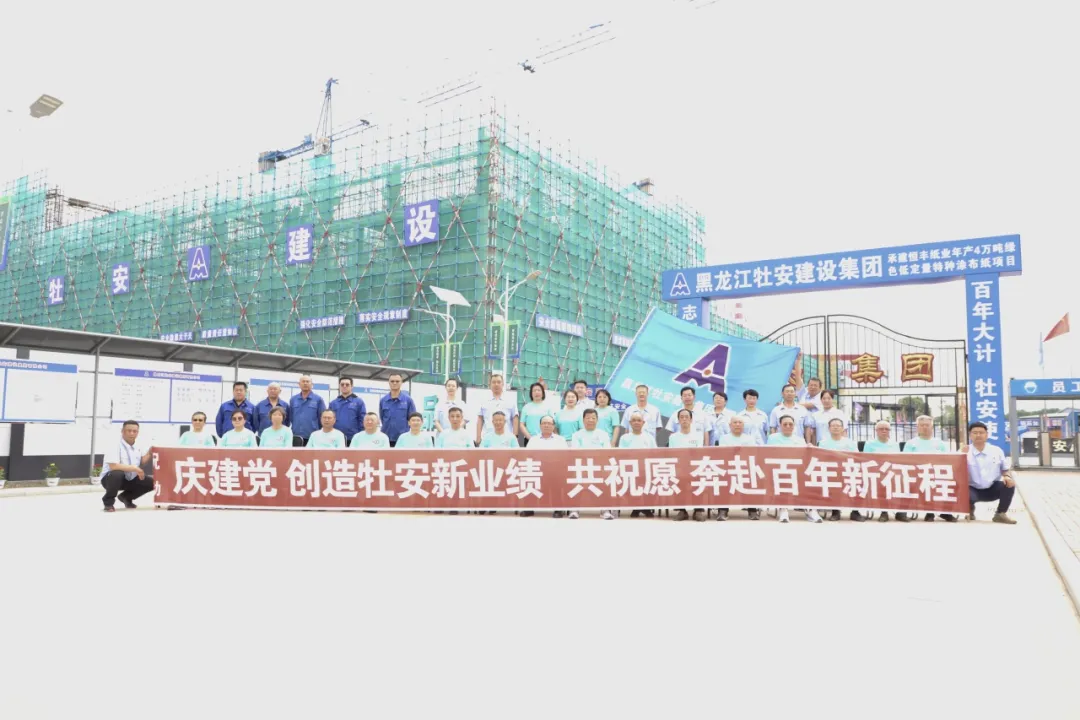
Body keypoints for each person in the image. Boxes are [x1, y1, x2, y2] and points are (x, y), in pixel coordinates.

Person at [767, 415, 823, 524]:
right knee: (783, 478)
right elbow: (769, 454)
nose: (788, 426)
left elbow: (804, 456)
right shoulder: (772, 438)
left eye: (790, 424)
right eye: (785, 424)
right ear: (780, 426)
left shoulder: (799, 439)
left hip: (797, 470)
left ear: (794, 426)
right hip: (779, 470)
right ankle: (783, 509)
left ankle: (810, 509)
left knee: (810, 479)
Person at [904, 415, 956, 522]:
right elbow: (905, 460)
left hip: (937, 474)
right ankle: (929, 512)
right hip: (916, 474)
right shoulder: (911, 443)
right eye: (922, 425)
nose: (924, 427)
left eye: (927, 425)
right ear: (918, 427)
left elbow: (948, 459)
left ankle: (945, 512)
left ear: (932, 427)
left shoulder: (940, 443)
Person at [965, 421, 1016, 524]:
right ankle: (969, 509)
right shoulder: (965, 451)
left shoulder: (996, 451)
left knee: (1009, 484)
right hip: (971, 489)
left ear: (987, 435)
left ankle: (1000, 514)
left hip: (992, 489)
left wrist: (1007, 476)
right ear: (970, 435)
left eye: (981, 432)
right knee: (963, 491)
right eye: (975, 433)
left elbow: (1005, 469)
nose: (978, 435)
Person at [572, 409, 617, 520]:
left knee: (606, 481)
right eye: (588, 418)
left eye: (593, 418)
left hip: (599, 466)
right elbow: (575, 451)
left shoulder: (603, 434)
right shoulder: (577, 435)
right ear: (583, 420)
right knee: (576, 483)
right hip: (582, 466)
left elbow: (606, 451)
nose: (590, 420)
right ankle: (574, 510)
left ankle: (605, 510)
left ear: (597, 420)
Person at [99, 420, 154, 512]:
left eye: (134, 431)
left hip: (130, 478)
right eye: (129, 430)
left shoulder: (138, 445)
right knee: (117, 473)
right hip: (110, 479)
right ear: (122, 431)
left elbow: (141, 462)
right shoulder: (114, 444)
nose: (132, 433)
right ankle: (108, 503)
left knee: (153, 483)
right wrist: (135, 468)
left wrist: (149, 453)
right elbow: (113, 466)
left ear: (137, 432)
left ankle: (126, 497)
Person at [715, 416, 761, 521]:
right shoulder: (724, 438)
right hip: (728, 468)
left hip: (745, 467)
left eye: (740, 422)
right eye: (735, 422)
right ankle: (723, 510)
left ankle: (752, 510)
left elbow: (750, 453)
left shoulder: (749, 438)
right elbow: (724, 453)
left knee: (752, 479)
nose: (737, 424)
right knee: (723, 480)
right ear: (730, 425)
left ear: (743, 425)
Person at [527, 416, 571, 518]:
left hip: (554, 469)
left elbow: (564, 456)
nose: (546, 425)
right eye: (544, 423)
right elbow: (528, 455)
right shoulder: (533, 440)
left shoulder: (560, 440)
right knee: (528, 476)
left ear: (553, 426)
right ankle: (529, 508)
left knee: (556, 477)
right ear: (540, 425)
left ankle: (558, 509)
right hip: (537, 469)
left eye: (549, 423)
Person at [669, 408, 707, 522]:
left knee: (698, 479)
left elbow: (699, 453)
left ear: (691, 420)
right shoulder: (673, 437)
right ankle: (682, 511)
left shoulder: (698, 435)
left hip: (695, 467)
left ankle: (698, 510)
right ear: (678, 420)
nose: (684, 419)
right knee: (677, 480)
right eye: (682, 417)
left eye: (687, 417)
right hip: (679, 468)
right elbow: (672, 454)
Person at [863, 420, 905, 522]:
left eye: (887, 429)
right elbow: (866, 459)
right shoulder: (869, 444)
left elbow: (898, 459)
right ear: (876, 431)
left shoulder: (894, 444)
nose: (884, 431)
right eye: (881, 429)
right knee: (883, 484)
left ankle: (901, 512)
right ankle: (884, 512)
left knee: (905, 483)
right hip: (876, 472)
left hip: (892, 472)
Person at [619, 410, 657, 518]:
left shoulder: (649, 438)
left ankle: (646, 508)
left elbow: (655, 453)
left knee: (649, 483)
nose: (636, 422)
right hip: (630, 469)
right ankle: (636, 507)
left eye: (639, 420)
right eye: (634, 420)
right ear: (630, 423)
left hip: (646, 469)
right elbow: (621, 454)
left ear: (643, 423)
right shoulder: (624, 438)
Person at [819, 417, 858, 521]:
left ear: (842, 428)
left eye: (838, 426)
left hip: (848, 470)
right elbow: (821, 458)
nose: (835, 428)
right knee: (833, 482)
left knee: (856, 482)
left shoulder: (850, 443)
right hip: (831, 472)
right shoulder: (823, 443)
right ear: (829, 428)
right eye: (833, 426)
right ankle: (835, 512)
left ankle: (855, 512)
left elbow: (856, 457)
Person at [476, 373, 519, 445]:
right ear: (490, 385)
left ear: (503, 384)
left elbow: (515, 419)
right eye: (493, 382)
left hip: (506, 439)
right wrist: (478, 437)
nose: (496, 384)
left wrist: (515, 437)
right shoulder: (484, 400)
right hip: (487, 439)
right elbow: (480, 419)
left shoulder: (510, 400)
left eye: (499, 382)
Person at [379, 372, 417, 447]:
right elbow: (382, 418)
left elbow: (412, 419)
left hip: (403, 439)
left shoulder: (408, 400)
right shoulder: (383, 400)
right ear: (389, 383)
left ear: (401, 382)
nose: (394, 383)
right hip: (386, 438)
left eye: (397, 381)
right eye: (392, 381)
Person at [289, 375, 326, 447]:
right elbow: (291, 417)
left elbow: (322, 417)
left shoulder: (318, 399)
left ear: (312, 384)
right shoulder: (293, 399)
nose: (305, 383)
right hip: (296, 435)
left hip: (312, 435)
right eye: (303, 381)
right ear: (299, 384)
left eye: (307, 381)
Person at [330, 377, 366, 446]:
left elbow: (362, 420)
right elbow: (329, 420)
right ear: (339, 386)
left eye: (347, 384)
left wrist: (360, 436)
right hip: (335, 438)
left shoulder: (359, 402)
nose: (344, 386)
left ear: (352, 386)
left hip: (353, 438)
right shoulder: (333, 403)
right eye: (342, 384)